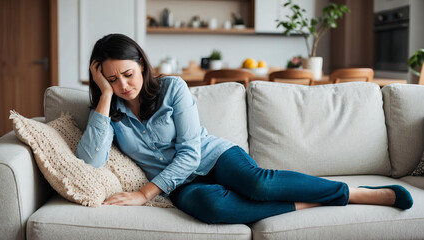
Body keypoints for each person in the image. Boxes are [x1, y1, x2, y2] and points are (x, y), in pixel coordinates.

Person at [76, 33, 413, 224]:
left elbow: (192, 153)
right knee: (214, 208)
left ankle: (351, 193)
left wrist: (142, 194)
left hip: (213, 157)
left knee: (257, 185)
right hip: (177, 185)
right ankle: (308, 202)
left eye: (127, 74)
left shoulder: (172, 88)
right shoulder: (108, 111)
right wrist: (104, 98)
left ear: (142, 66)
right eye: (110, 79)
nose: (122, 85)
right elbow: (90, 160)